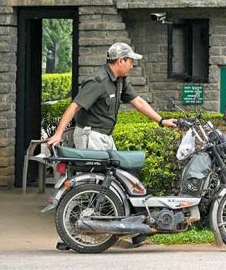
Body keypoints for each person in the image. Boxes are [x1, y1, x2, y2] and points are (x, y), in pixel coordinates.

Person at [46, 42, 177, 250]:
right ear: (120, 61)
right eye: (130, 61)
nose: (133, 65)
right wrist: (59, 133)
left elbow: (138, 102)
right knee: (92, 186)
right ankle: (70, 233)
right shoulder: (98, 81)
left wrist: (161, 121)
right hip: (91, 136)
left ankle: (135, 230)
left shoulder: (120, 81)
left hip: (104, 137)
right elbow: (74, 106)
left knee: (123, 179)